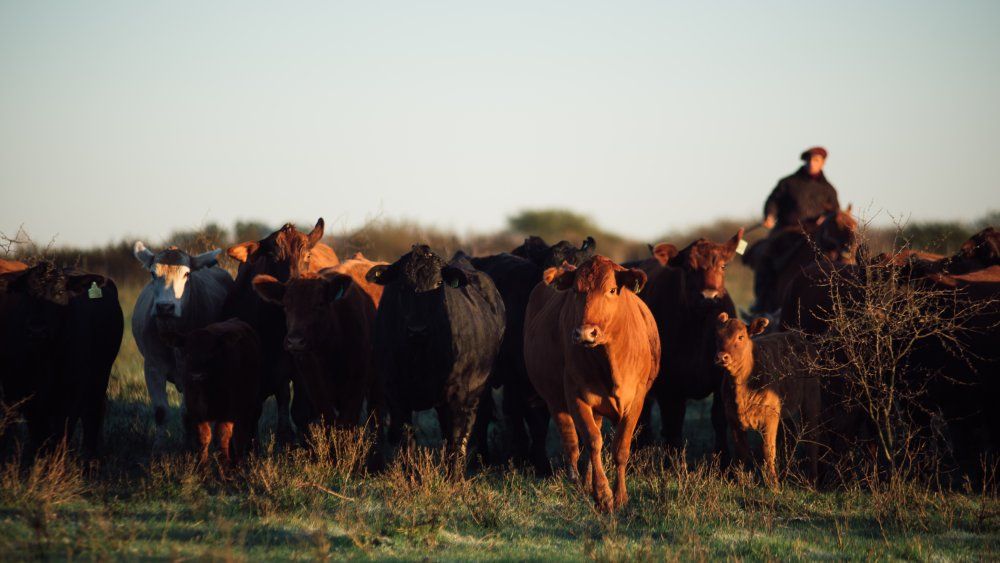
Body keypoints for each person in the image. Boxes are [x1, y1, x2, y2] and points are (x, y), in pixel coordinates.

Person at [749, 147, 840, 313]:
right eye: (810, 160)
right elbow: (773, 200)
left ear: (823, 163)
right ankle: (762, 301)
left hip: (815, 235)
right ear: (805, 161)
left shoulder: (829, 190)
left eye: (816, 160)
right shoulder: (788, 183)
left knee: (838, 261)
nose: (812, 163)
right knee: (766, 256)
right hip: (787, 231)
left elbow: (835, 213)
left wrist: (825, 220)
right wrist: (769, 215)